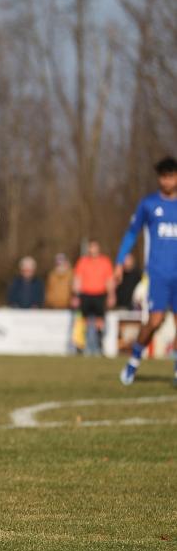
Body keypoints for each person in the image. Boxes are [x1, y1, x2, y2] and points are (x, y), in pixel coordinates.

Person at [116, 156, 177, 385]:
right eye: (163, 176)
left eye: (170, 175)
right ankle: (132, 363)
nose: (167, 180)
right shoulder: (149, 204)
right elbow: (132, 233)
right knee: (154, 321)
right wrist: (119, 261)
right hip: (159, 275)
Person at [72, 240, 114, 356]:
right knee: (82, 320)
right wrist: (75, 295)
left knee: (99, 321)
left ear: (98, 248)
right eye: (91, 247)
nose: (92, 250)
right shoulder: (83, 262)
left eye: (94, 247)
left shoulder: (105, 262)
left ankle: (99, 345)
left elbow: (109, 280)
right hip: (85, 294)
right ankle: (80, 346)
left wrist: (111, 295)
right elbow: (77, 279)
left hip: (100, 294)